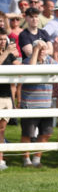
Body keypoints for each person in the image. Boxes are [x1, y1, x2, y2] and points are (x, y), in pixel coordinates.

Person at [20, 40, 57, 167]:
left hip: (46, 104)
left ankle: (37, 160)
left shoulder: (50, 61)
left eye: (44, 48)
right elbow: (31, 71)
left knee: (46, 133)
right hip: (30, 104)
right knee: (27, 134)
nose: (42, 51)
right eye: (39, 48)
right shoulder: (27, 61)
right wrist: (35, 50)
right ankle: (26, 160)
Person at [0, 29, 20, 170]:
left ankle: (0, 160)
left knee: (1, 130)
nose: (2, 42)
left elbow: (21, 69)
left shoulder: (9, 55)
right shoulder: (6, 54)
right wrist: (7, 52)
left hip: (7, 97)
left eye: (3, 39)